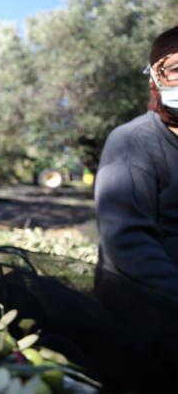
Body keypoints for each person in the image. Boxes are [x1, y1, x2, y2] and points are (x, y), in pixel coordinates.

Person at [94, 24, 178, 383]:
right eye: (177, 69)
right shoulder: (133, 142)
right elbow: (126, 242)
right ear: (156, 78)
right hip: (146, 301)